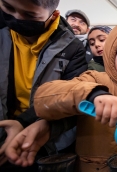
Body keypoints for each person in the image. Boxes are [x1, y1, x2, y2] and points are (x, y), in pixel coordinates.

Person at [6, 25, 117, 172]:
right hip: (93, 166)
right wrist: (94, 94)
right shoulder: (93, 77)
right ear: (111, 53)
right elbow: (45, 95)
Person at [0, 0, 87, 171]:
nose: (16, 18)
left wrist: (23, 124)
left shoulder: (72, 48)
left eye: (30, 15)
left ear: (53, 15)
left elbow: (70, 97)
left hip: (47, 142)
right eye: (8, 7)